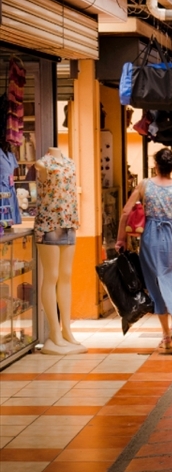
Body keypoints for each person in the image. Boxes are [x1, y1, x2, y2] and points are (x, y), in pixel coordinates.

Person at [116, 148, 172, 351]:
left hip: (151, 237)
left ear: (156, 165)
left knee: (156, 285)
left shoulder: (145, 185)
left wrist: (121, 239)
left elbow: (126, 211)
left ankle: (165, 336)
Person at [34, 147, 86, 354]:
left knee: (66, 276)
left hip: (69, 222)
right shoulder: (42, 163)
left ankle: (67, 331)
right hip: (49, 224)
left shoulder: (70, 162)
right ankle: (54, 332)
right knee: (51, 276)